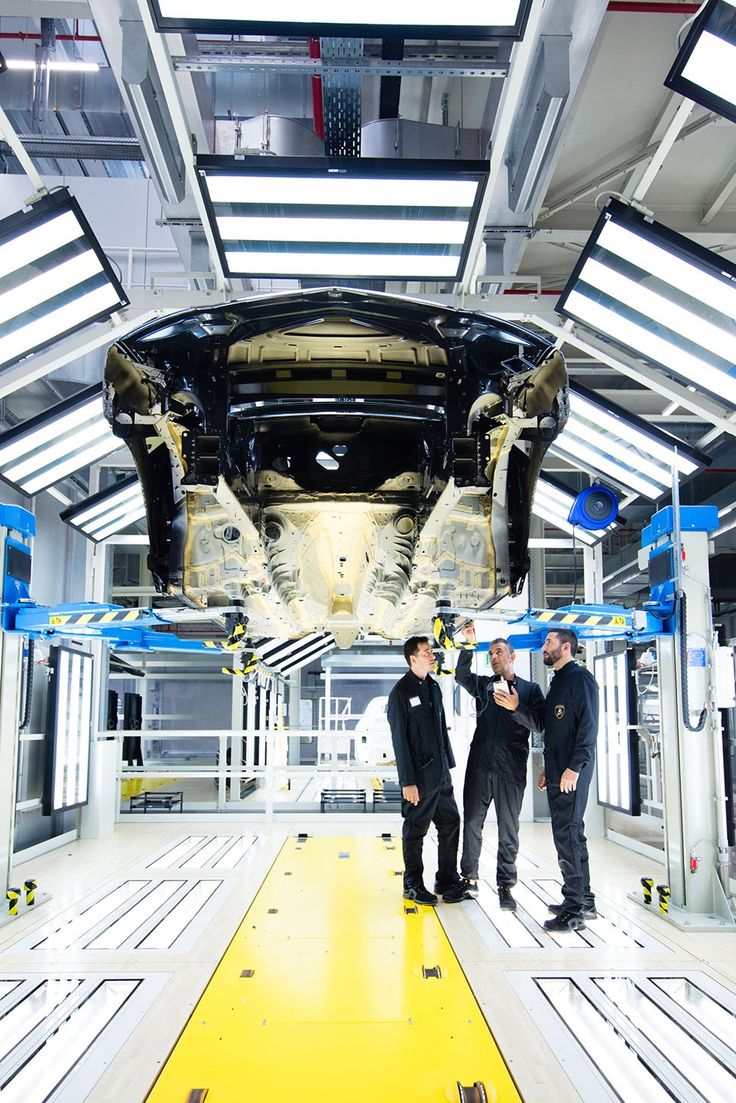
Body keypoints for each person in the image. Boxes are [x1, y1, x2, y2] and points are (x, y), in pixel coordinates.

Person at [455, 623, 545, 910]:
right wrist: (469, 645)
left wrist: (516, 708)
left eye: (499, 652)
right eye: (491, 653)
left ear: (512, 657)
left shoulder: (530, 691)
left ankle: (506, 885)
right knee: (471, 823)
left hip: (511, 770)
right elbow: (461, 675)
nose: (494, 657)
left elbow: (540, 725)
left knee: (509, 828)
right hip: (480, 765)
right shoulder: (484, 685)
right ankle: (469, 879)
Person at [517, 627, 599, 932]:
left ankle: (575, 909)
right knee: (571, 835)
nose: (543, 647)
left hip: (571, 773)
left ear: (566, 647)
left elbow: (588, 729)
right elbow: (552, 727)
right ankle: (583, 899)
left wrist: (573, 768)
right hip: (558, 770)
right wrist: (549, 769)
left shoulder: (580, 680)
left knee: (568, 836)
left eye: (548, 642)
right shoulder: (559, 681)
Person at [388, 635, 468, 905]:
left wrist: (449, 763)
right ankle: (412, 884)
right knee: (415, 829)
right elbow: (399, 741)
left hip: (441, 774)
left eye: (431, 651)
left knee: (451, 823)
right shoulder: (400, 693)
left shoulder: (433, 687)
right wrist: (407, 782)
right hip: (419, 779)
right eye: (426, 652)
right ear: (413, 659)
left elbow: (440, 728)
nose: (432, 655)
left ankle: (446, 879)